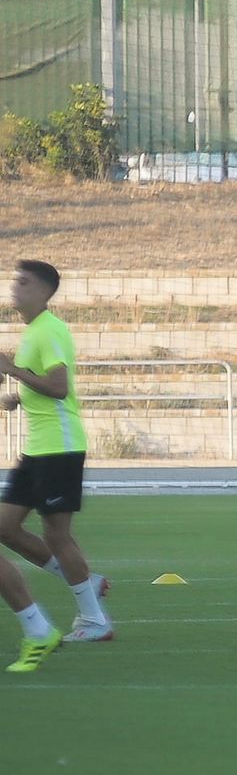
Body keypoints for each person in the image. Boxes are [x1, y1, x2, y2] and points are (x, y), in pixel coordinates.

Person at [0, 260, 106, 670]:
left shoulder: (51, 330)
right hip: (38, 449)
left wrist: (12, 371)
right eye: (14, 281)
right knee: (6, 527)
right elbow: (41, 386)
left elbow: (59, 387)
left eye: (23, 283)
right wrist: (19, 397)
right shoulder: (33, 333)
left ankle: (94, 618)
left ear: (45, 292)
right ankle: (87, 585)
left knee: (58, 535)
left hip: (59, 448)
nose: (15, 288)